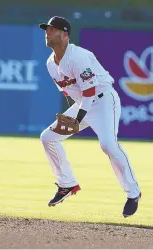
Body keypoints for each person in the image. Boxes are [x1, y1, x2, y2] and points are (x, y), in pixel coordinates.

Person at [39, 16, 141, 217]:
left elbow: (89, 92)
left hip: (103, 100)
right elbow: (69, 92)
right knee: (48, 138)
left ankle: (133, 193)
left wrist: (77, 119)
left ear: (65, 35)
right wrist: (73, 116)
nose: (48, 32)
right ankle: (66, 184)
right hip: (83, 105)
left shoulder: (79, 57)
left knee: (108, 145)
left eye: (53, 29)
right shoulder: (51, 63)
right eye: (47, 29)